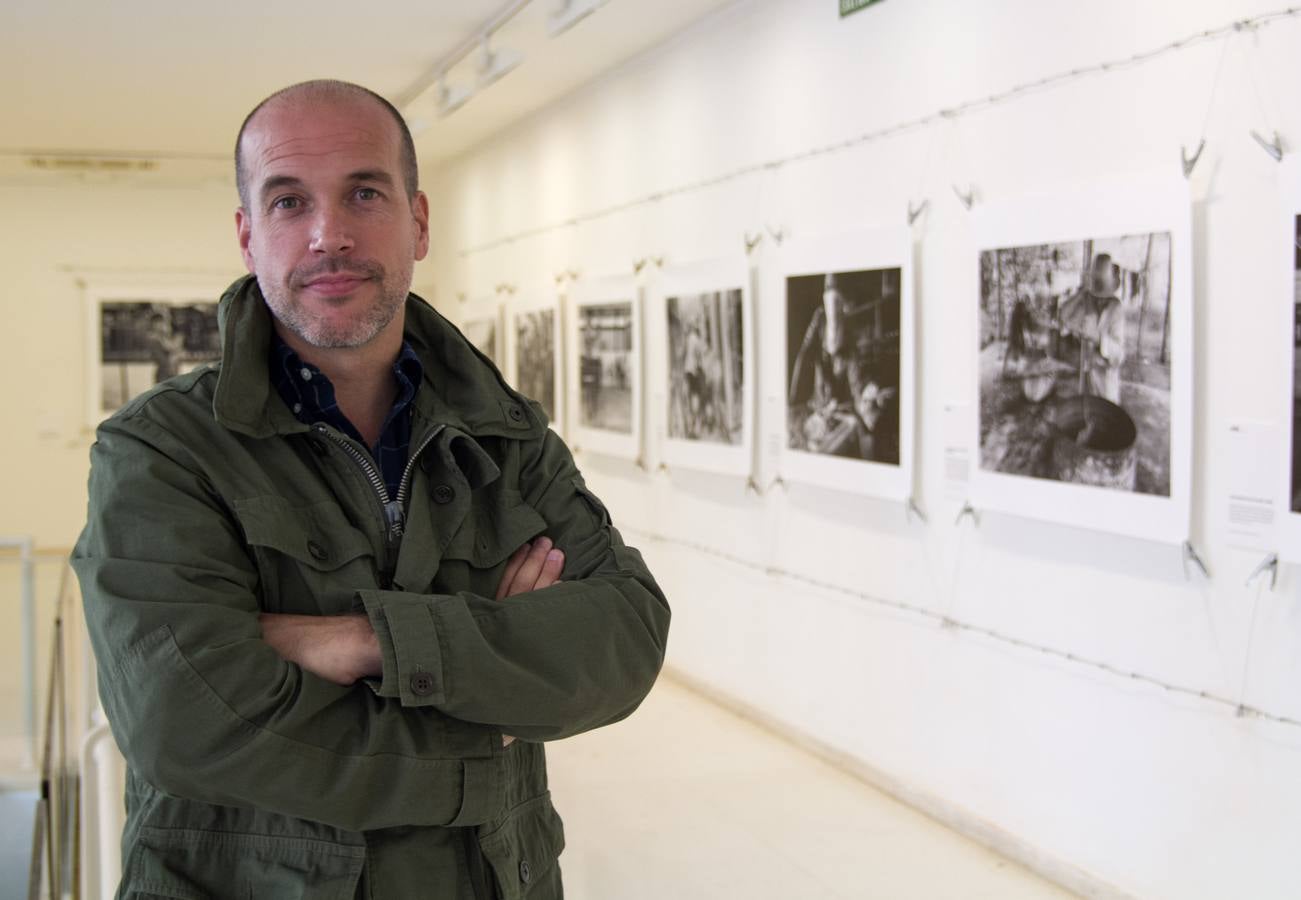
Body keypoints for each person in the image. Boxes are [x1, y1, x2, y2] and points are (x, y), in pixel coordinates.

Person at [72, 80, 670, 900]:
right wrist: (481, 705)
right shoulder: (163, 449)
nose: (329, 235)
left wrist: (364, 641)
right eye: (288, 202)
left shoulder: (506, 433)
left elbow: (622, 641)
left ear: (417, 221)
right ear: (249, 237)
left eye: (363, 192)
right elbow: (183, 721)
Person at [1059, 252, 1126, 404]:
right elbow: (1063, 316)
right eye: (1097, 294)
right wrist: (1081, 292)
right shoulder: (1087, 301)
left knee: (1106, 416)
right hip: (1086, 377)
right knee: (1086, 414)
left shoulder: (1116, 308)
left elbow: (1119, 355)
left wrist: (1097, 338)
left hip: (1106, 380)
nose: (1100, 299)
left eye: (1104, 295)